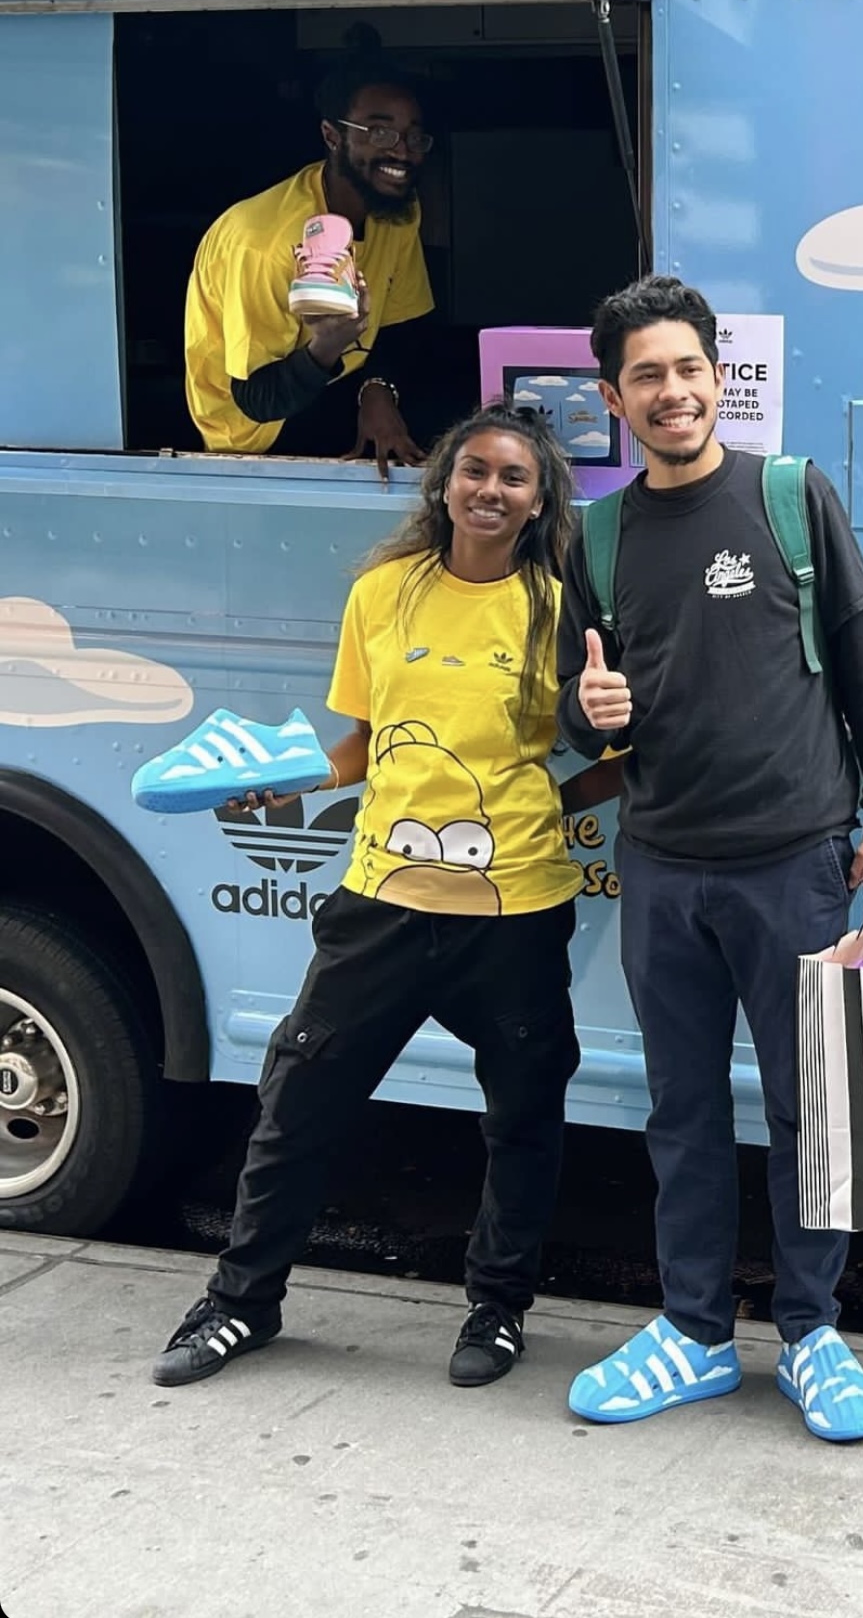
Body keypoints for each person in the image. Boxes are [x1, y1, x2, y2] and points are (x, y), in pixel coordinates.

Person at [556, 277, 863, 1443]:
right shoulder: (596, 533)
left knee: (814, 1108)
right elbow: (577, 710)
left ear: (719, 376)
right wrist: (590, 714)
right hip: (662, 867)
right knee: (682, 1110)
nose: (672, 392)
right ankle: (695, 1333)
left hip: (796, 864)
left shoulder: (788, 496)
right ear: (613, 396)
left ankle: (812, 1330)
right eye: (647, 376)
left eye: (688, 368)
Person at [152, 403, 584, 1390]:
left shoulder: (559, 610)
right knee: (299, 1098)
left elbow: (620, 750)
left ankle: (499, 1309)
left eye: (513, 477)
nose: (490, 489)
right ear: (445, 482)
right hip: (380, 895)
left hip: (513, 912)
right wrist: (297, 780)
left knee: (523, 1115)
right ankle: (241, 1301)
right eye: (474, 469)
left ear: (539, 501)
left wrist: (543, 803)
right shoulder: (383, 593)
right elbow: (362, 739)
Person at [184, 50, 435, 474]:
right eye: (380, 133)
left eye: (413, 137)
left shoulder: (397, 210)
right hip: (252, 436)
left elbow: (401, 325)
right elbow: (257, 400)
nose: (402, 152)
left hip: (338, 380)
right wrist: (328, 344)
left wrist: (377, 392)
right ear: (332, 136)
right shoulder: (263, 243)